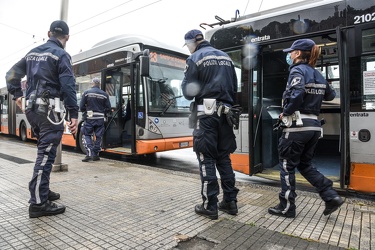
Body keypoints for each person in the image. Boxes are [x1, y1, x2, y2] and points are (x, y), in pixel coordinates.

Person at [5, 20, 79, 218]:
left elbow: (10, 74)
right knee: (46, 155)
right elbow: (68, 86)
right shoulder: (61, 55)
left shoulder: (32, 53)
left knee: (45, 151)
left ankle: (43, 192)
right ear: (67, 37)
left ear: (49, 33)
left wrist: (17, 96)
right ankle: (38, 203)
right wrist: (74, 114)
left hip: (32, 111)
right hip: (48, 111)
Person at [268, 39, 344, 218]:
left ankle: (286, 207)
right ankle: (330, 196)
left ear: (299, 53)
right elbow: (331, 94)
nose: (289, 54)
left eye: (291, 52)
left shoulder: (297, 70)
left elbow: (297, 93)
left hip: (297, 127)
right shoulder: (316, 73)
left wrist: (285, 113)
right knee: (304, 164)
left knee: (286, 166)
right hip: (314, 127)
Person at [181, 29, 239, 220]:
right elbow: (234, 88)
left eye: (187, 45)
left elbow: (189, 92)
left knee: (206, 157)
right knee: (223, 157)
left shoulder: (195, 58)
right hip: (226, 114)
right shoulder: (227, 58)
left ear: (191, 43)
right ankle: (230, 202)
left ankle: (210, 205)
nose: (188, 49)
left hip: (206, 114)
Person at [80, 77, 111, 162]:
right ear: (99, 84)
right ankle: (96, 154)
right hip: (100, 118)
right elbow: (108, 108)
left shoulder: (86, 93)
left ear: (92, 84)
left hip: (89, 118)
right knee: (99, 136)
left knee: (87, 134)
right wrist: (102, 112)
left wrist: (86, 111)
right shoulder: (105, 94)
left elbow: (81, 106)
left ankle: (89, 154)